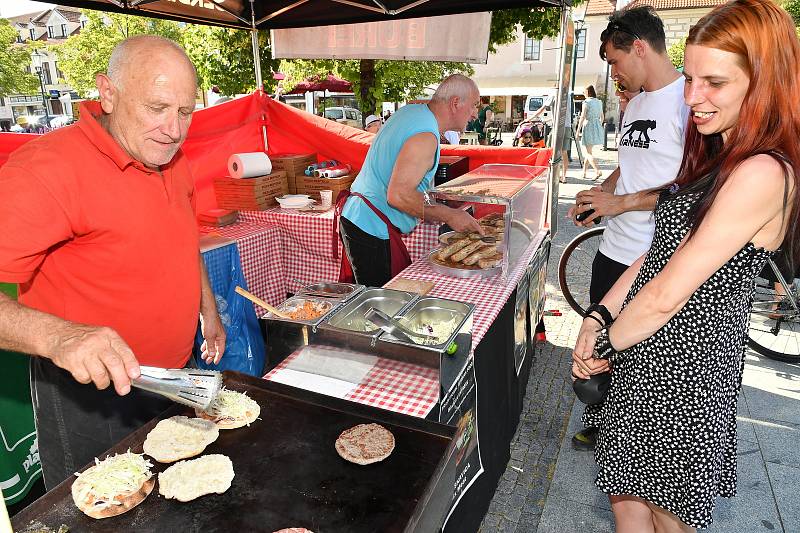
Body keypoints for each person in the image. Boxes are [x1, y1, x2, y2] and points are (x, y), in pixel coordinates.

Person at [572, 1, 800, 530]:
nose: (692, 97)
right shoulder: (718, 150)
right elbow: (657, 255)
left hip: (684, 377)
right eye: (691, 78)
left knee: (666, 517)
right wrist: (598, 315)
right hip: (643, 351)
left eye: (713, 82)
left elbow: (667, 291)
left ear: (764, 80)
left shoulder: (764, 170)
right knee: (624, 499)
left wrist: (604, 345)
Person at [0, 35, 226, 489]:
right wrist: (60, 335)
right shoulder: (44, 171)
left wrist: (209, 310)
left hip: (171, 377)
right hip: (89, 396)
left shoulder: (170, 155)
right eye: (157, 107)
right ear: (107, 92)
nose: (174, 130)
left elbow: (183, 238)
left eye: (185, 112)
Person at [567, 5, 689, 451]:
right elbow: (631, 167)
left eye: (615, 61)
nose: (613, 72)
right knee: (599, 339)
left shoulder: (689, 103)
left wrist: (620, 203)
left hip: (655, 256)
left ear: (639, 48)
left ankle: (634, 432)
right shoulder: (635, 103)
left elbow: (690, 189)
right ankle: (600, 418)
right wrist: (598, 196)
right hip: (613, 249)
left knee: (639, 352)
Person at [338, 74, 484, 287]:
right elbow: (398, 196)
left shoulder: (412, 112)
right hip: (371, 226)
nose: (474, 114)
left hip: (360, 218)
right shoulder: (426, 136)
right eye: (474, 106)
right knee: (381, 306)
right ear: (455, 103)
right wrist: (449, 214)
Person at [575, 85, 605, 180]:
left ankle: (597, 171)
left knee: (588, 153)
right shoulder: (599, 102)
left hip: (588, 125)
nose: (583, 93)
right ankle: (584, 172)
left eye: (584, 92)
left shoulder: (586, 102)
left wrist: (577, 131)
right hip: (596, 125)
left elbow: (582, 117)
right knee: (589, 151)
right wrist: (597, 125)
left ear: (588, 92)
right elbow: (602, 117)